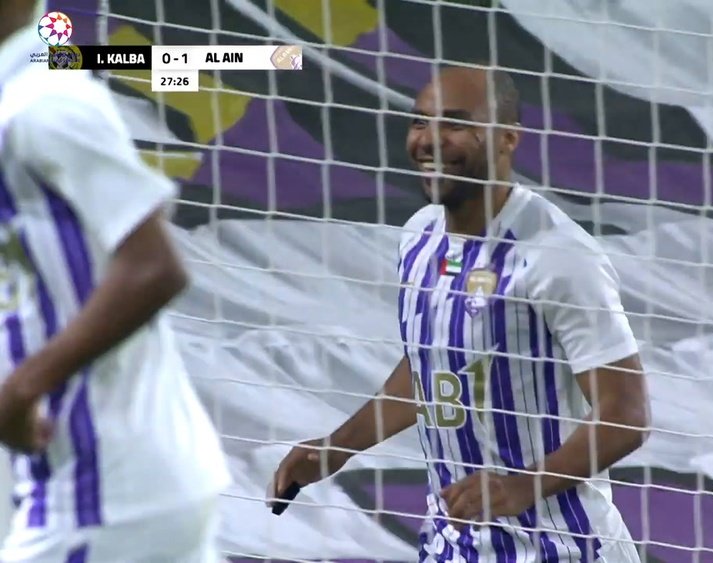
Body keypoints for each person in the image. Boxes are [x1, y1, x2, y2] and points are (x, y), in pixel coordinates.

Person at [270, 64, 650, 562]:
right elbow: (433, 365)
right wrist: (337, 447)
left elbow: (626, 416)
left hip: (562, 547)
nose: (429, 140)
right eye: (419, 121)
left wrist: (520, 489)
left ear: (508, 139)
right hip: (455, 543)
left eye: (453, 124)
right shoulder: (419, 237)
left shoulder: (558, 256)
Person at [0, 2, 230, 561]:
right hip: (112, 478)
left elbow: (154, 268)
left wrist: (23, 388)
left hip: (104, 489)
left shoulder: (44, 105)